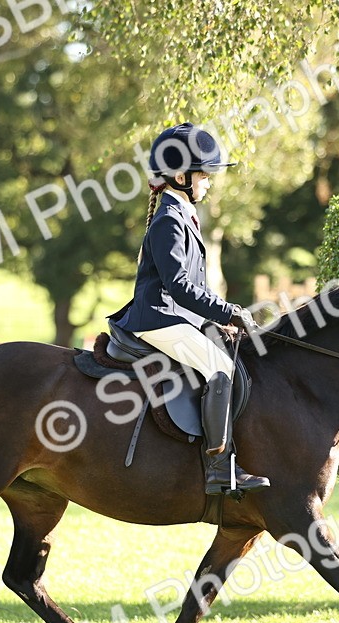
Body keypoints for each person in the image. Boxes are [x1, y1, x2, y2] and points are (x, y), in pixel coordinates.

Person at [109, 123, 270, 496]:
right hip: (158, 319)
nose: (209, 183)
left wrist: (220, 321)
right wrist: (228, 312)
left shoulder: (181, 213)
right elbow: (180, 287)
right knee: (221, 368)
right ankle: (219, 468)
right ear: (180, 176)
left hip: (175, 316)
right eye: (204, 175)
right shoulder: (169, 219)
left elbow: (194, 288)